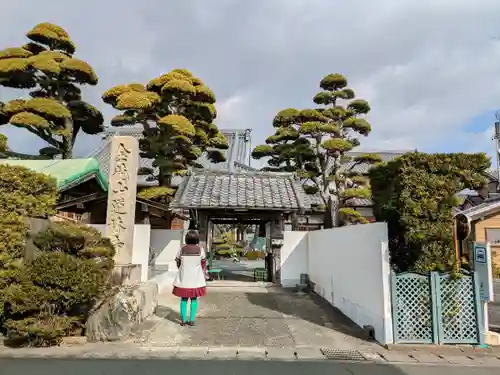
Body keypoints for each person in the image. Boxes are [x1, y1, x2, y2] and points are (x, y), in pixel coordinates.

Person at [172, 230, 207, 326]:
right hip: (196, 279)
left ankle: (183, 320)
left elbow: (178, 262)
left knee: (183, 299)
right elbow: (203, 263)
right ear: (197, 239)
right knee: (194, 299)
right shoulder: (201, 250)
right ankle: (191, 320)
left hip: (183, 278)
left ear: (186, 239)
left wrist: (182, 269)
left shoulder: (181, 249)